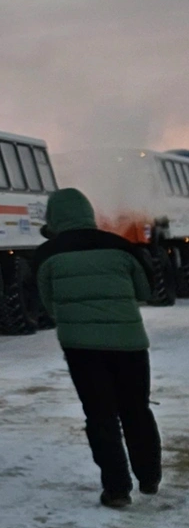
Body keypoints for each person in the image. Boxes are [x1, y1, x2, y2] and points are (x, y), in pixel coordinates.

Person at [32, 187, 163, 508]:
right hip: (130, 344)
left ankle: (117, 489)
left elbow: (47, 303)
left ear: (53, 218)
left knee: (100, 415)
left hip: (81, 348)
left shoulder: (47, 255)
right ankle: (148, 477)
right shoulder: (121, 247)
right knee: (137, 410)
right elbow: (144, 290)